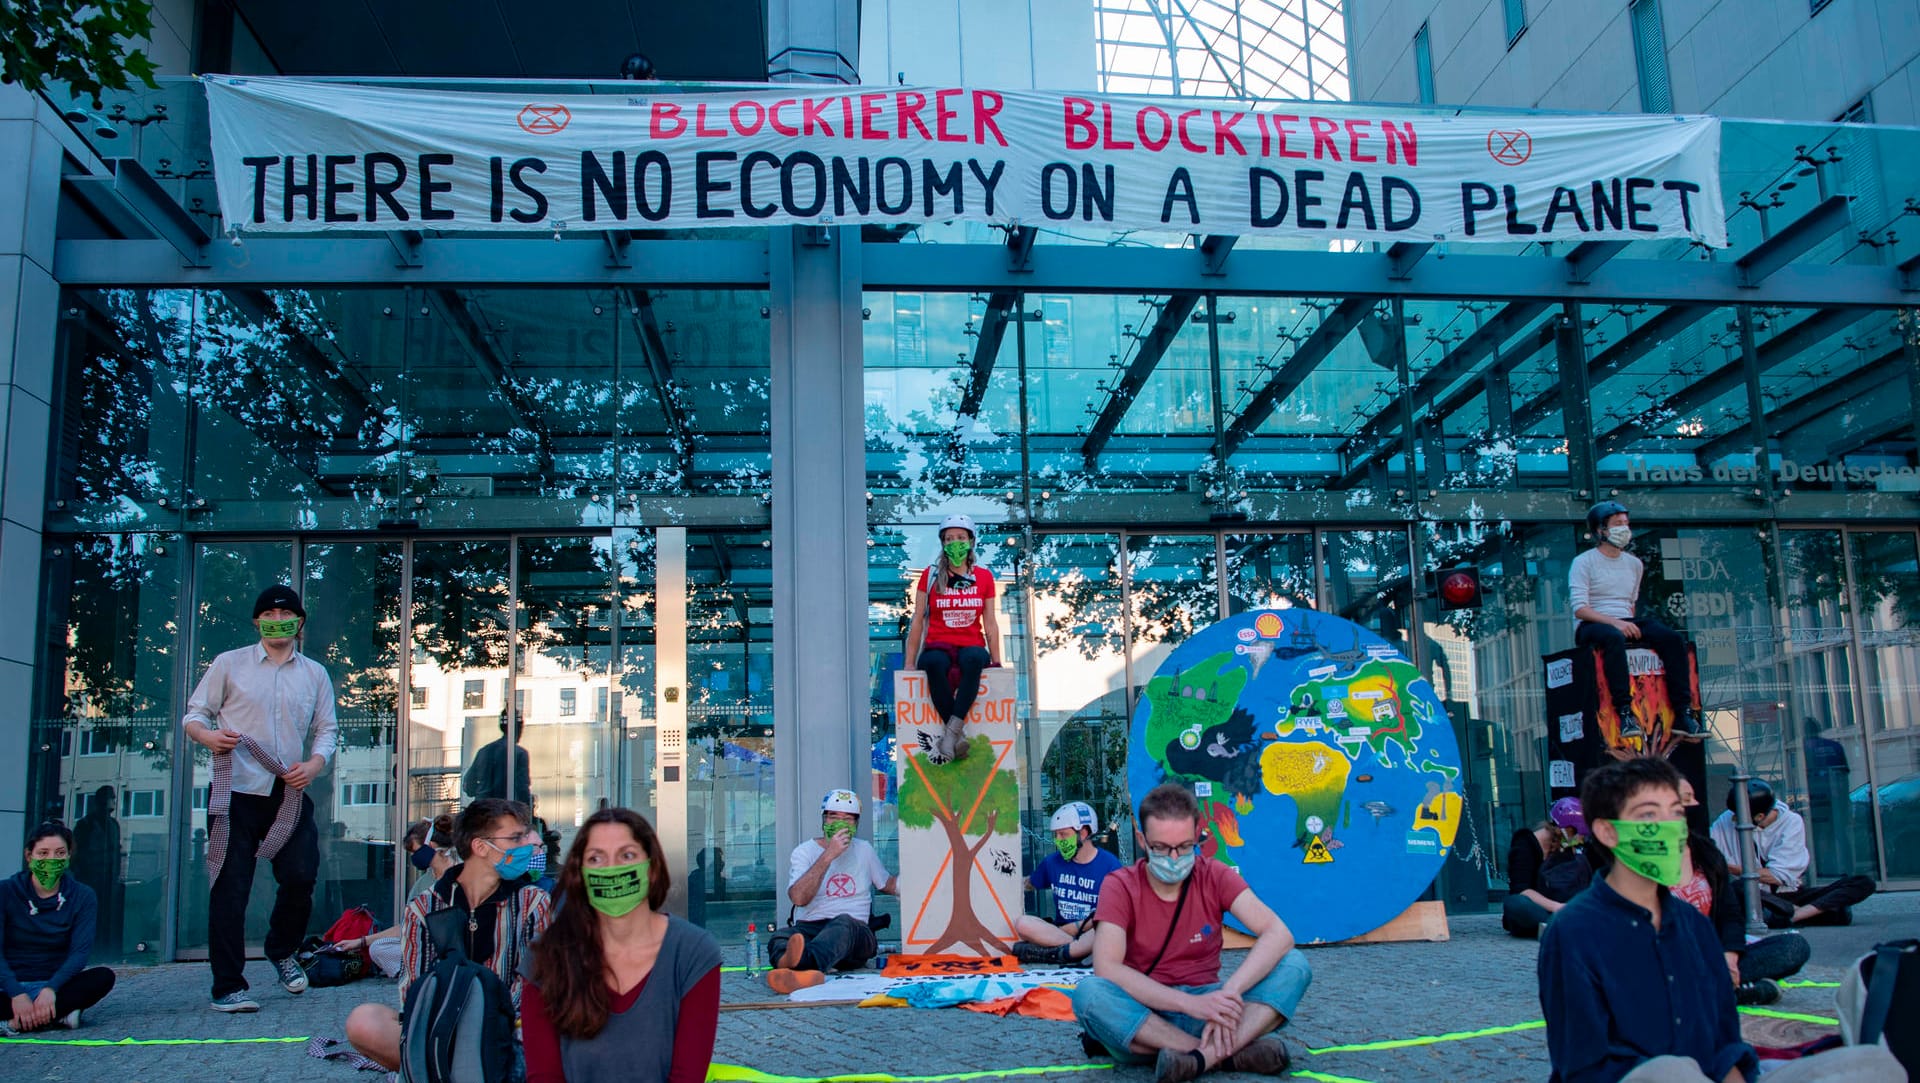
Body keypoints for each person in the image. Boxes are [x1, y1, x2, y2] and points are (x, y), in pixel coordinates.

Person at [1071, 783, 1311, 1082]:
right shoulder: (1119, 885)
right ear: (1142, 841)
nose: (1173, 858)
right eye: (1161, 848)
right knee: (1088, 994)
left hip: (1210, 1009)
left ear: (1197, 836)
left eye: (1184, 847)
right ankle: (1224, 1054)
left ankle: (1196, 1060)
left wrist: (1229, 992)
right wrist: (1189, 1004)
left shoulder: (1214, 874)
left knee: (1295, 965)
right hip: (1145, 1015)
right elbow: (1107, 967)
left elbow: (1278, 933)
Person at [1538, 757, 1756, 1083]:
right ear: (1608, 832)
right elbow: (1583, 1063)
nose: (1670, 828)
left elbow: (1725, 1041)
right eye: (1649, 815)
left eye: (1676, 813)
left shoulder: (1694, 926)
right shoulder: (1574, 932)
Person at [182, 583, 338, 1013]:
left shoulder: (315, 674)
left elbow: (327, 730)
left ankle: (281, 949)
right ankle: (227, 985)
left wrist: (315, 764)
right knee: (230, 887)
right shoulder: (229, 665)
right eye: (268, 616)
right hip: (235, 791)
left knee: (302, 875)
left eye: (285, 615)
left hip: (288, 790)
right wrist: (208, 736)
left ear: (299, 623)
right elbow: (194, 714)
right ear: (257, 622)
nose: (277, 621)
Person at [344, 798, 553, 1071]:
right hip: (444, 1029)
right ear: (481, 847)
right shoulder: (423, 907)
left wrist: (487, 1021)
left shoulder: (532, 902)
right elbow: (414, 988)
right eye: (515, 838)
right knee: (364, 1021)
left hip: (507, 1030)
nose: (526, 847)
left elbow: (533, 983)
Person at [521, 808, 722, 1083]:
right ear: (580, 873)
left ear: (652, 868)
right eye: (596, 858)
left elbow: (687, 1075)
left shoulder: (693, 952)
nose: (612, 869)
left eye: (626, 855)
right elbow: (545, 1075)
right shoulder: (544, 956)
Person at [1673, 778, 1808, 1007]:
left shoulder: (1705, 852)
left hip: (1714, 952)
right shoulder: (1639, 858)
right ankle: (1720, 991)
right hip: (1667, 959)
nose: (1695, 805)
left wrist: (1730, 957)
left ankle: (1709, 987)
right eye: (1686, 800)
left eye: (1694, 798)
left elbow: (1730, 917)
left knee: (1794, 948)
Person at [1570, 501, 1698, 739]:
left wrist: (1626, 622)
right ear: (1601, 530)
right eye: (1617, 524)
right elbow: (1580, 609)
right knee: (1613, 637)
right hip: (1591, 624)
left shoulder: (1634, 564)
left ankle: (1683, 712)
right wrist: (1615, 623)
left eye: (1626, 524)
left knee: (1671, 638)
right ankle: (1625, 712)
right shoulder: (1584, 562)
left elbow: (1631, 603)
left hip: (1626, 618)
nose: (1624, 529)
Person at [765, 789, 897, 994]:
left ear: (856, 823)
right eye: (833, 816)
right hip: (812, 927)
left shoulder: (864, 849)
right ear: (824, 819)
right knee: (782, 936)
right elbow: (799, 898)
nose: (840, 823)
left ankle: (800, 966)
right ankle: (797, 967)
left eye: (847, 819)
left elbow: (887, 884)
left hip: (855, 931)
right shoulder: (804, 851)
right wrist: (828, 855)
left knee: (843, 923)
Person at [1708, 779, 1876, 928]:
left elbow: (1777, 876)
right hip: (1754, 896)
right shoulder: (1728, 818)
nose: (1733, 819)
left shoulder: (1791, 822)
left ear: (1759, 816)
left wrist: (1730, 867)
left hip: (1789, 894)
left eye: (1738, 816)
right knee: (1737, 889)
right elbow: (1708, 849)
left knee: (1863, 882)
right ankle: (1815, 912)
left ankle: (1793, 916)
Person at [1, 822, 116, 1033]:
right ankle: (55, 1016)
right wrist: (16, 993)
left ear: (68, 856)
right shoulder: (5, 892)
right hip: (8, 987)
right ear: (29, 856)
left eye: (59, 853)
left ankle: (16, 1023)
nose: (51, 860)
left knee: (103, 977)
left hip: (55, 985)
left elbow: (79, 953)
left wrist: (50, 989)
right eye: (43, 853)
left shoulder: (82, 896)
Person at [904, 514, 1002, 761]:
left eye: (960, 538)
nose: (955, 543)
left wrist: (997, 661)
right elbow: (917, 619)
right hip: (939, 643)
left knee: (974, 658)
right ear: (942, 544)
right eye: (949, 539)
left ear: (970, 541)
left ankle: (950, 736)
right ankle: (955, 737)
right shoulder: (930, 576)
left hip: (971, 644)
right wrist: (909, 662)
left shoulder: (984, 577)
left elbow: (989, 621)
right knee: (934, 662)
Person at [336, 814, 459, 978]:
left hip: (457, 943)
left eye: (416, 851)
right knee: (379, 948)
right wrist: (361, 941)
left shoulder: (462, 873)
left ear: (431, 846)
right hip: (425, 943)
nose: (414, 858)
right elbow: (405, 927)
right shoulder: (423, 883)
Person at [1012, 801, 1123, 966]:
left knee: (1105, 929)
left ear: (1084, 833)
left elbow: (1116, 912)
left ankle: (1060, 952)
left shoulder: (1110, 865)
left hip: (1091, 931)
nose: (1058, 840)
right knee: (1023, 924)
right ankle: (1074, 952)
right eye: (1056, 835)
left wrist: (1076, 926)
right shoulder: (1052, 862)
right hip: (1060, 933)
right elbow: (1029, 884)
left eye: (1063, 834)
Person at [1502, 797, 1599, 938]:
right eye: (1580, 836)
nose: (1582, 840)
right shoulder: (1525, 844)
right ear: (1568, 830)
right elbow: (1522, 889)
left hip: (1569, 905)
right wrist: (1557, 907)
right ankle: (1563, 925)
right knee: (1515, 904)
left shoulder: (1573, 847)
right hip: (1542, 907)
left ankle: (1561, 926)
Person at [69, 785, 121, 955]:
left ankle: (105, 946)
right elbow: (77, 853)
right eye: (110, 798)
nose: (113, 801)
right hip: (90, 878)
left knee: (107, 916)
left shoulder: (113, 824)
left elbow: (116, 852)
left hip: (108, 879)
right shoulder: (85, 824)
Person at [466, 708, 533, 807]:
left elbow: (469, 785)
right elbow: (522, 789)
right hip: (505, 810)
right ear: (519, 729)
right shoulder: (519, 753)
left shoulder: (483, 751)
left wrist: (482, 792)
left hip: (482, 811)